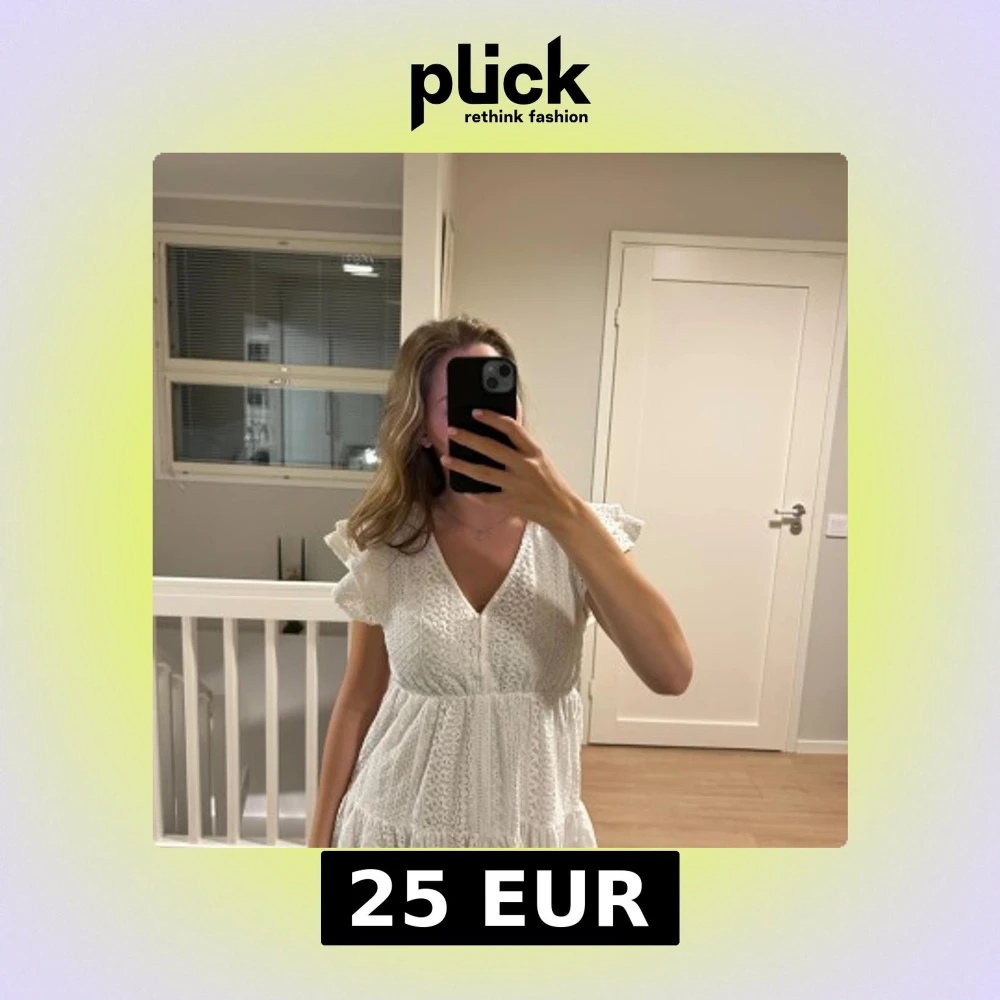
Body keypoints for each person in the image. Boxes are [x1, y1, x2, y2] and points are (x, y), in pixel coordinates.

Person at [307, 315, 693, 848]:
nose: (489, 417)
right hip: (397, 830)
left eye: (500, 397)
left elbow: (671, 673)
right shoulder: (387, 545)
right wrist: (317, 844)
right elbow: (358, 701)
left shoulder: (576, 537)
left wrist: (564, 513)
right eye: (461, 405)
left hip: (531, 836)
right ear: (421, 429)